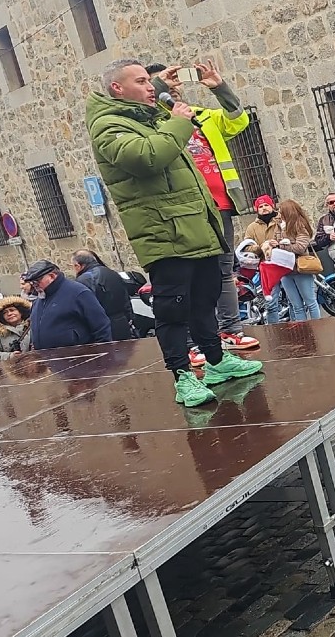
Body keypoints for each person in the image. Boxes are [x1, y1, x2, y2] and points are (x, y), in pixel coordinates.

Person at [86, 58, 261, 407]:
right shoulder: (107, 125)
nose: (150, 87)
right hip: (163, 233)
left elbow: (224, 118)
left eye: (150, 82)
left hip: (196, 225)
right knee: (172, 308)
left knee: (205, 297)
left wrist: (163, 89)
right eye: (141, 82)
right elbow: (146, 156)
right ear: (116, 89)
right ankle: (182, 377)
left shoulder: (148, 115)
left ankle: (215, 362)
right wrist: (180, 124)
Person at [146, 61, 259, 352]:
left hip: (221, 206)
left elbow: (237, 121)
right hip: (187, 209)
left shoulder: (202, 116)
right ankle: (194, 342)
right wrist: (159, 88)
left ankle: (231, 331)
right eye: (162, 83)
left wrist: (220, 88)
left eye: (175, 82)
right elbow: (145, 118)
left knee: (223, 273)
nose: (173, 86)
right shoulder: (153, 123)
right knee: (189, 277)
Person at [22, 260, 112, 350]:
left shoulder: (78, 292)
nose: (35, 285)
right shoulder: (39, 299)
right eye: (32, 283)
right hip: (47, 359)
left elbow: (101, 326)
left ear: (52, 276)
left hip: (78, 357)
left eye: (37, 281)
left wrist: (101, 355)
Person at [271, 199, 323, 321]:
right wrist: (273, 244)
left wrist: (281, 245)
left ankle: (318, 327)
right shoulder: (278, 226)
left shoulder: (300, 226)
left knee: (310, 302)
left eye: (281, 211)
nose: (278, 213)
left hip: (301, 269)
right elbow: (275, 243)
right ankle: (303, 331)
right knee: (296, 306)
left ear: (288, 212)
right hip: (284, 270)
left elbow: (300, 247)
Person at [241, 195, 287, 324]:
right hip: (266, 269)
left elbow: (291, 237)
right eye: (260, 207)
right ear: (257, 209)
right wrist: (261, 247)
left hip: (285, 265)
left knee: (293, 301)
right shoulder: (252, 228)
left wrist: (278, 243)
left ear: (272, 206)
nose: (264, 208)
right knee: (271, 303)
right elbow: (247, 247)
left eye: (266, 205)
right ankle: (275, 330)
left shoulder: (282, 221)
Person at [71, 249, 134, 341]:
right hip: (121, 323)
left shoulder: (83, 281)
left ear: (78, 265)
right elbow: (126, 299)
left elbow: (86, 309)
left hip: (104, 328)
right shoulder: (112, 273)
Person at [0, 295, 32, 363]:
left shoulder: (32, 325)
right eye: (5, 312)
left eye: (12, 310)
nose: (9, 314)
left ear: (20, 311)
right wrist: (10, 356)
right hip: (12, 369)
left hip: (34, 366)